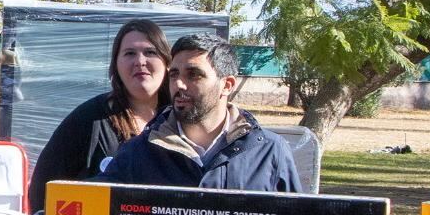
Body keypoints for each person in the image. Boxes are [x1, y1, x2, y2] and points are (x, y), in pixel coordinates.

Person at [0, 19, 173, 215]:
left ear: (167, 63)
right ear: (116, 64)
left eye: (150, 52)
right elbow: (48, 187)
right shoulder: (90, 118)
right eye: (129, 53)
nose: (140, 61)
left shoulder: (180, 120)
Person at [102, 33, 302, 192]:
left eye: (194, 75)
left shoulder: (270, 151)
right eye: (174, 74)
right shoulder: (138, 152)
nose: (179, 84)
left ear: (227, 85)